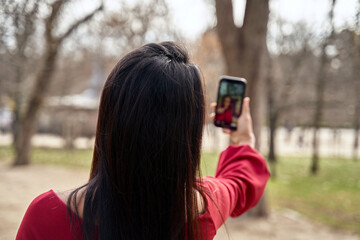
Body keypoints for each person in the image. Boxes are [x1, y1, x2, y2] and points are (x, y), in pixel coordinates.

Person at [16, 42, 269, 240]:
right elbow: (238, 183)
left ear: (109, 119)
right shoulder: (204, 207)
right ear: (188, 137)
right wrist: (242, 141)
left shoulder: (47, 216)